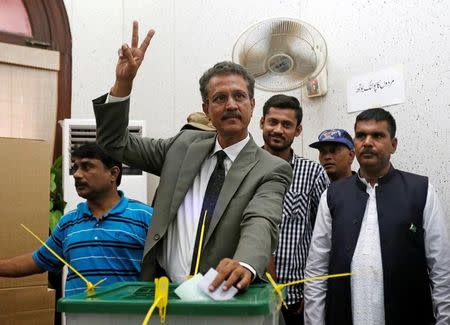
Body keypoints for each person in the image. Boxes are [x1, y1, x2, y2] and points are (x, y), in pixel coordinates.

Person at [93, 21, 292, 292]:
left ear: (252, 105)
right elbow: (114, 143)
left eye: (239, 96)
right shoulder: (182, 146)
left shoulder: (270, 168)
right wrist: (123, 82)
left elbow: (261, 220)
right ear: (206, 109)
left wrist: (244, 263)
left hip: (223, 298)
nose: (231, 104)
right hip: (165, 296)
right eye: (220, 98)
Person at [304, 108, 450, 324]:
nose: (368, 142)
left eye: (378, 135)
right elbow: (317, 269)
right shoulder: (333, 195)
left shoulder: (421, 190)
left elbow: (441, 269)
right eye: (361, 136)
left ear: (394, 144)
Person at [0, 143, 153, 296]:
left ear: (113, 173)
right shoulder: (68, 222)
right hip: (78, 317)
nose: (77, 174)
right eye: (75, 168)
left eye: (87, 167)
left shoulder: (145, 217)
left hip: (129, 317)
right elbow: (37, 261)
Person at [259, 94, 329, 325]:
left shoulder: (313, 173)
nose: (278, 129)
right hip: (250, 292)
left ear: (298, 130)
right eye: (273, 122)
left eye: (286, 124)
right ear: (261, 123)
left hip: (296, 297)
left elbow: (325, 236)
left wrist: (313, 290)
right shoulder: (242, 168)